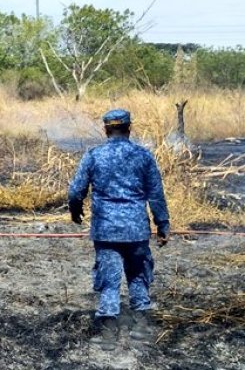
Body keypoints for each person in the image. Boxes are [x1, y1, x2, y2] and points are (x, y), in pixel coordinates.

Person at [68, 108, 170, 350]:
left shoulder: (93, 155)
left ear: (106, 129)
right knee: (138, 276)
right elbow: (156, 195)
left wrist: (76, 211)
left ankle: (108, 335)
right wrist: (163, 224)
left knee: (109, 280)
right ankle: (141, 329)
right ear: (129, 128)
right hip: (136, 230)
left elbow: (75, 191)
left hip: (106, 230)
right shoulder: (143, 156)